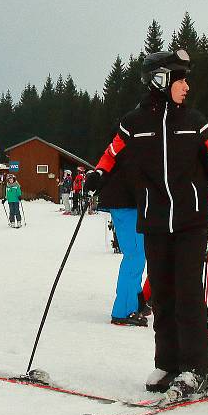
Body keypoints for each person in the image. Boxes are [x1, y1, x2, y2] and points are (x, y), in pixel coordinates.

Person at [83, 49, 208, 400]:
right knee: (161, 294)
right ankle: (169, 365)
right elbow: (113, 153)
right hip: (155, 220)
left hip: (191, 221)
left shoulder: (195, 120)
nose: (187, 85)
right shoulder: (134, 123)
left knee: (188, 295)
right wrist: (98, 174)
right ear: (161, 79)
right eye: (181, 78)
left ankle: (196, 370)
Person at [91, 139, 149, 327]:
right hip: (125, 202)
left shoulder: (139, 134)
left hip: (129, 201)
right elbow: (110, 158)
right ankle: (123, 310)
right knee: (135, 255)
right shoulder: (134, 134)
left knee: (138, 252)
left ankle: (135, 298)